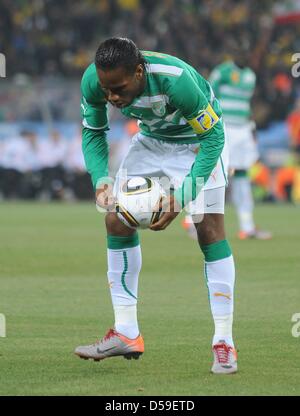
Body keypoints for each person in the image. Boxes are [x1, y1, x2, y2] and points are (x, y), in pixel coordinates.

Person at [74, 37, 237, 374]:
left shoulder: (175, 80)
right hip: (151, 142)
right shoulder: (95, 79)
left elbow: (214, 138)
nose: (112, 97)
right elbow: (93, 131)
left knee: (208, 228)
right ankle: (126, 332)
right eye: (107, 90)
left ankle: (224, 342)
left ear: (138, 71)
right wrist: (101, 181)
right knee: (116, 221)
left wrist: (181, 196)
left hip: (197, 145)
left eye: (118, 88)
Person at [208, 47, 272, 240]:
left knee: (242, 175)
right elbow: (209, 97)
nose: (245, 56)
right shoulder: (222, 71)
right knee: (216, 173)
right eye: (241, 52)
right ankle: (196, 222)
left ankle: (247, 226)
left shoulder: (250, 76)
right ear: (234, 54)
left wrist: (251, 126)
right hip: (224, 127)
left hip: (243, 130)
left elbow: (247, 104)